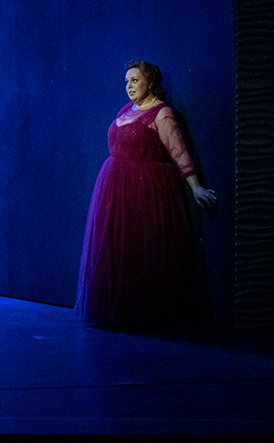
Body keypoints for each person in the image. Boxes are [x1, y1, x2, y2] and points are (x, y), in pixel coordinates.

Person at [75, 59, 216, 330]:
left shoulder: (162, 114)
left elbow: (179, 152)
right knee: (119, 250)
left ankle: (144, 316)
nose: (129, 86)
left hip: (145, 190)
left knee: (144, 249)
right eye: (127, 82)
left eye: (135, 80)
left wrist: (196, 186)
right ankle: (120, 312)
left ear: (149, 82)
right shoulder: (126, 110)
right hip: (116, 191)